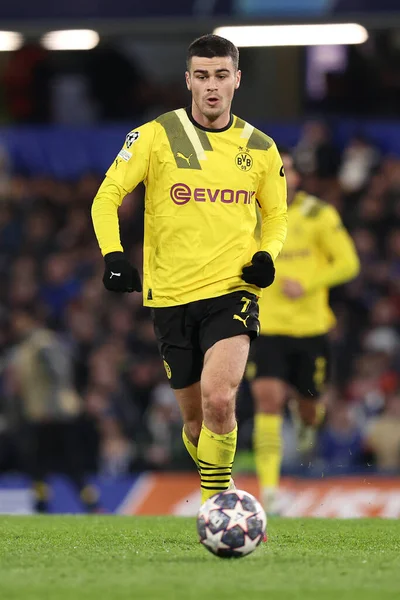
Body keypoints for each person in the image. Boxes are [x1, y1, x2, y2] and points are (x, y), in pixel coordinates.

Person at [91, 34, 287, 505]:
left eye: (221, 75)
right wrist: (114, 255)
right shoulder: (155, 136)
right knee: (197, 423)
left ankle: (214, 509)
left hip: (233, 290)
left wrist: (266, 256)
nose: (212, 86)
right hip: (171, 297)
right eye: (202, 76)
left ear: (237, 80)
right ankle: (219, 488)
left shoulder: (260, 148)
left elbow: (277, 215)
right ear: (188, 80)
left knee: (221, 399)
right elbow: (107, 196)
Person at [248, 149, 360, 513]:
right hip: (267, 326)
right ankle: (270, 491)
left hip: (311, 329)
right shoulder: (250, 215)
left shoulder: (318, 214)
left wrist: (309, 282)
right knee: (267, 398)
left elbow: (348, 263)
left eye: (287, 171)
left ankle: (307, 421)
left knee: (310, 410)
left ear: (296, 178)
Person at [3, 307, 100, 513]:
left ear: (30, 319)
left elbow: (59, 373)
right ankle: (44, 503)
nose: (15, 325)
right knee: (40, 461)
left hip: (54, 413)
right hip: (40, 412)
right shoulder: (27, 345)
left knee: (64, 460)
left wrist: (50, 405)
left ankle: (89, 503)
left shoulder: (43, 343)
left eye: (19, 319)